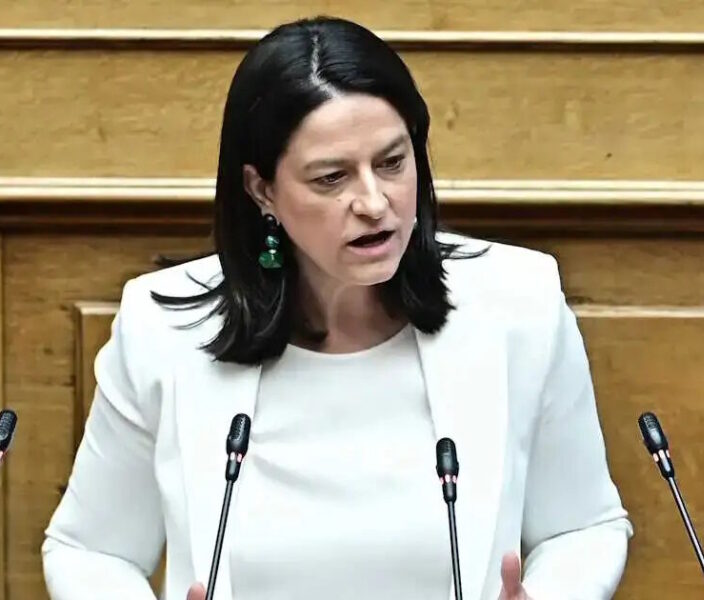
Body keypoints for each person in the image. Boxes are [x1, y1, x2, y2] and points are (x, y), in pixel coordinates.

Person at [42, 16, 632, 600]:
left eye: (393, 163)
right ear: (262, 190)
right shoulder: (164, 330)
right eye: (331, 178)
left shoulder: (519, 304)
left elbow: (582, 527)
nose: (374, 203)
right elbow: (91, 550)